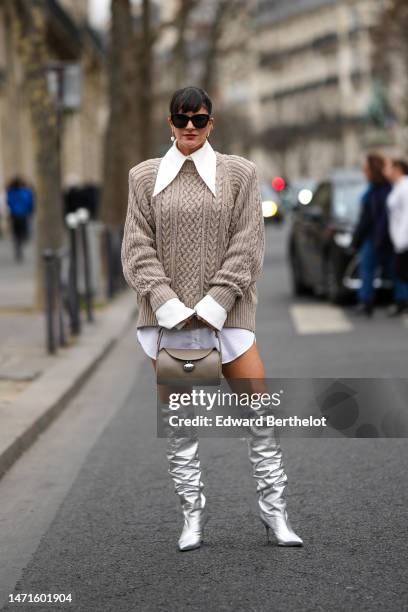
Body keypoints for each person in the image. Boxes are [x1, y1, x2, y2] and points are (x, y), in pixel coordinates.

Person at [121, 86, 303, 551]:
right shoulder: (143, 177)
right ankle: (192, 519)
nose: (188, 127)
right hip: (171, 323)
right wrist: (169, 305)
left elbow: (249, 244)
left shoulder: (239, 173)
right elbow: (137, 248)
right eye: (180, 119)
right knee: (182, 425)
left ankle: (276, 515)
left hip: (230, 316)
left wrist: (215, 302)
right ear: (169, 122)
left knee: (258, 415)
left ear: (211, 123)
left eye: (198, 119)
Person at [351, 153, 392, 316]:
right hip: (381, 237)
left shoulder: (380, 190)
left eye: (366, 169)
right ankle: (367, 301)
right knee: (371, 270)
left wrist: (358, 238)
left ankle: (367, 301)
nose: (364, 172)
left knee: (369, 269)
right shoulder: (377, 189)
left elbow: (374, 218)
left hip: (378, 237)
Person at [385, 157, 408, 315]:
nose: (385, 171)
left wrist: (402, 240)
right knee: (400, 272)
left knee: (402, 272)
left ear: (397, 169)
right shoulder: (398, 186)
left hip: (404, 240)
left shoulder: (405, 187)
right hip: (399, 240)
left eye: (389, 167)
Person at [6, 177, 35, 262]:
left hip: (15, 215)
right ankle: (21, 243)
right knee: (22, 231)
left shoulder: (11, 192)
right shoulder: (25, 192)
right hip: (23, 214)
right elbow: (29, 202)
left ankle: (18, 246)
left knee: (16, 233)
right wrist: (30, 211)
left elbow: (9, 202)